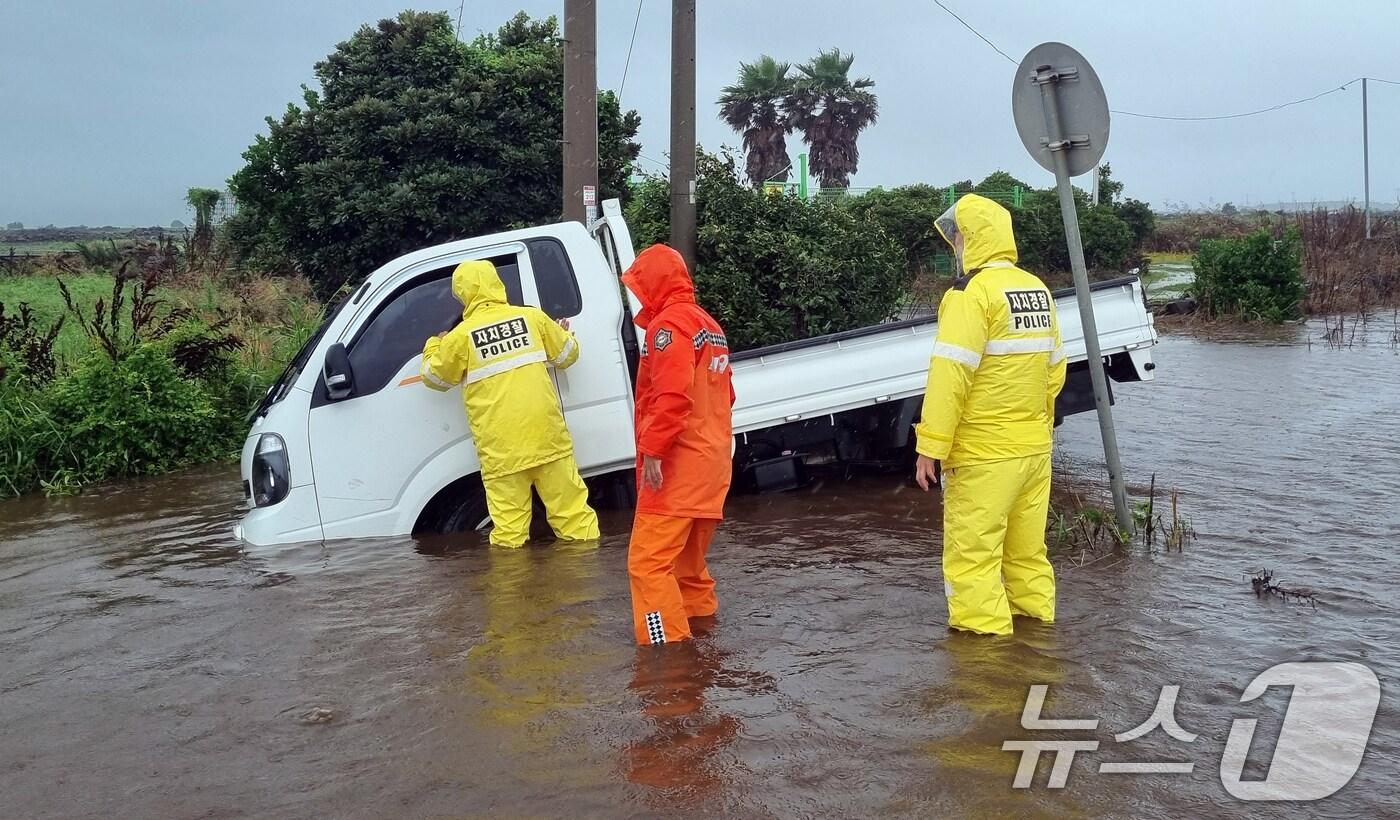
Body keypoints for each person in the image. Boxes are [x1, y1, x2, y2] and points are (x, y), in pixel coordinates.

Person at [913, 193, 1067, 636]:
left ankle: (988, 677)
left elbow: (949, 379)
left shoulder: (970, 294)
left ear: (970, 238)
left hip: (983, 454)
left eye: (957, 236)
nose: (955, 245)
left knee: (973, 561)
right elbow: (1055, 372)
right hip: (1034, 452)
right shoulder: (1036, 289)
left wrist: (930, 448)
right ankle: (1039, 646)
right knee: (1027, 556)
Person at [420, 259, 600, 547]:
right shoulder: (532, 319)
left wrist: (434, 345)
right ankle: (592, 585)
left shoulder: (460, 337)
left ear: (464, 295)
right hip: (548, 439)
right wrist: (563, 334)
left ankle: (511, 591)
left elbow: (435, 378)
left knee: (509, 536)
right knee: (574, 518)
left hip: (502, 451)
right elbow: (567, 356)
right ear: (497, 284)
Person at [621, 244, 735, 646]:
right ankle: (702, 641)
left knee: (648, 565)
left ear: (654, 284)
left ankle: (666, 655)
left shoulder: (667, 328)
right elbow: (726, 397)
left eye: (639, 286)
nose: (637, 295)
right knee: (688, 567)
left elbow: (671, 396)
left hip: (676, 468)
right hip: (710, 467)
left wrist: (653, 449)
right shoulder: (708, 325)